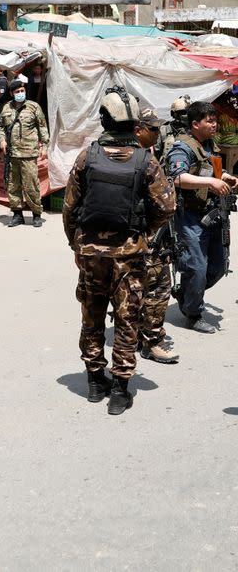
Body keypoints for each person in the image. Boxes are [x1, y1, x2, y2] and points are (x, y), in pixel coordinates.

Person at [63, 87, 175, 415]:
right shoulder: (146, 160)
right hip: (130, 254)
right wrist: (145, 231)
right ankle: (120, 390)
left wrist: (76, 244)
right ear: (133, 123)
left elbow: (71, 207)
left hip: (91, 254)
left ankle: (95, 381)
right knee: (127, 318)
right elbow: (166, 206)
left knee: (92, 315)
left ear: (104, 120)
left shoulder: (88, 156)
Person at [166, 100, 238, 333]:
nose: (214, 124)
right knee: (196, 267)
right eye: (210, 121)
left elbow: (213, 170)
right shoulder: (182, 147)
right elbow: (177, 178)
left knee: (218, 267)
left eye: (215, 120)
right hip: (191, 217)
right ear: (195, 124)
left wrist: (225, 176)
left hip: (214, 214)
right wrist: (210, 181)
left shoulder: (209, 145)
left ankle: (187, 294)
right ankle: (193, 313)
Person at [133, 108, 179, 364]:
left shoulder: (144, 155)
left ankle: (142, 335)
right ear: (137, 129)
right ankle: (151, 341)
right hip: (146, 237)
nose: (157, 133)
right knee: (158, 288)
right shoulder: (139, 159)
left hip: (145, 235)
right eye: (152, 129)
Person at [0, 80, 49, 227]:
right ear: (11, 94)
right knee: (13, 185)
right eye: (17, 92)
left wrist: (44, 146)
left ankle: (36, 214)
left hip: (28, 153)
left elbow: (42, 128)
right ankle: (17, 214)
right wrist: (2, 140)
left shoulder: (33, 107)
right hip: (12, 154)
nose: (20, 94)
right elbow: (1, 127)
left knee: (31, 184)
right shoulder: (6, 108)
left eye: (22, 91)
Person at [158, 95, 190, 162]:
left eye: (188, 112)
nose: (187, 115)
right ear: (174, 114)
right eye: (183, 112)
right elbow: (156, 153)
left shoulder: (193, 130)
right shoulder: (164, 130)